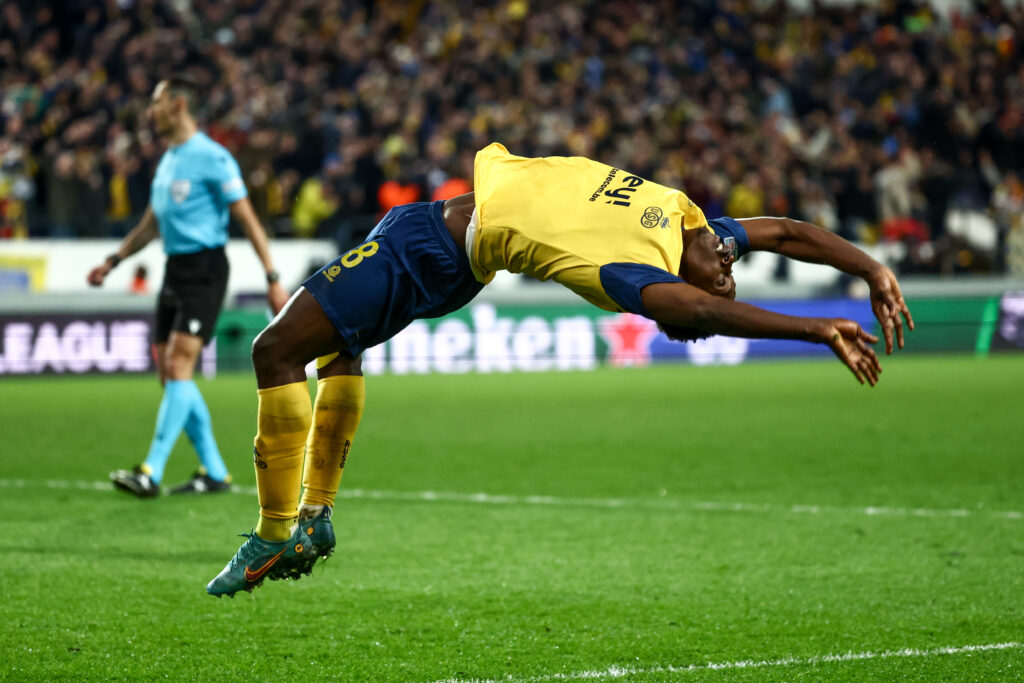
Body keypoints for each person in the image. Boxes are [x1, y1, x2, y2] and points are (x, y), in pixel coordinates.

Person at [206, 143, 913, 597]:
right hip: (451, 253)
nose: (727, 263)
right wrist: (872, 266)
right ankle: (317, 515)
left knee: (274, 350)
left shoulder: (636, 275)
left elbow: (700, 307)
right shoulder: (698, 227)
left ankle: (272, 534)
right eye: (728, 265)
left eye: (723, 273)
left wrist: (816, 328)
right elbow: (788, 232)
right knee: (341, 345)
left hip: (428, 246)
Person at [87, 75, 290, 498]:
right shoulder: (169, 159)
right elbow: (151, 223)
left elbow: (248, 219)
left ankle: (150, 470)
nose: (149, 111)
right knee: (169, 372)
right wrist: (114, 260)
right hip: (175, 270)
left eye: (156, 102)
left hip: (205, 269)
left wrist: (272, 277)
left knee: (179, 365)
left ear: (179, 106)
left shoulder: (212, 158)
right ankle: (214, 472)